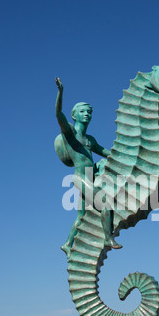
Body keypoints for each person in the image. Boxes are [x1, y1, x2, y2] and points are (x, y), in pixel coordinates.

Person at [54, 77, 122, 256]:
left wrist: (120, 153)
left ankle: (67, 244)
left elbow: (103, 151)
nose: (87, 114)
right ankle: (108, 238)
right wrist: (60, 93)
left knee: (81, 216)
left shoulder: (90, 139)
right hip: (80, 178)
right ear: (74, 115)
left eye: (89, 112)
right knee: (105, 205)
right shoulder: (70, 133)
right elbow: (58, 114)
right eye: (83, 111)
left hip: (91, 175)